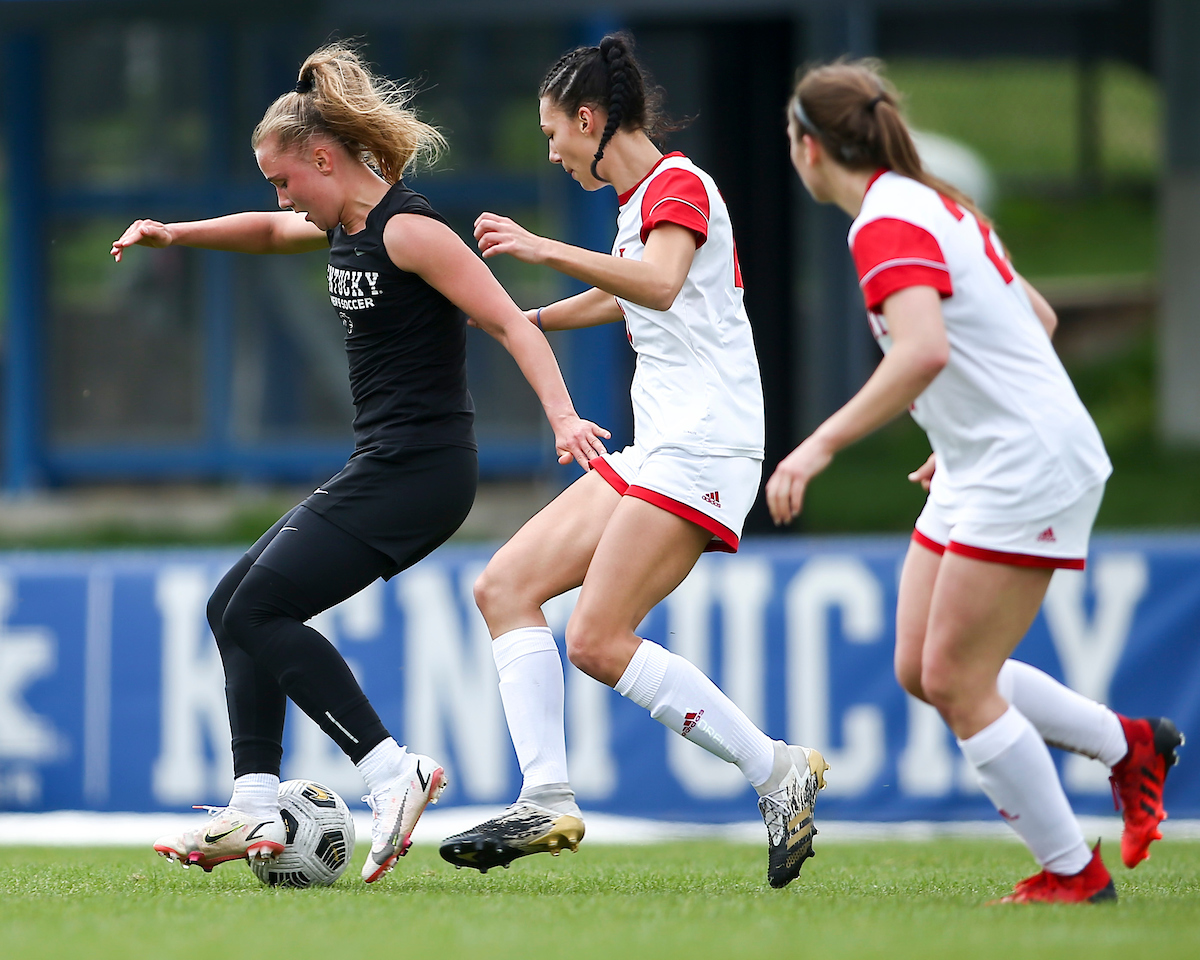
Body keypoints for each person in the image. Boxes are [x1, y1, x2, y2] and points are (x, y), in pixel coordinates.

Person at [110, 42, 608, 884]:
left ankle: (391, 771)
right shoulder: (337, 222)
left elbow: (512, 324)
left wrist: (563, 418)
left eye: (284, 179)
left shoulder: (410, 230)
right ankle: (256, 801)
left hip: (422, 471)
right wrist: (176, 232)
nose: (281, 198)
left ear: (324, 158)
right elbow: (271, 232)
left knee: (262, 607)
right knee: (232, 603)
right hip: (384, 462)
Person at [767, 59, 1183, 904]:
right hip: (985, 457)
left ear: (810, 148)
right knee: (924, 668)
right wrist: (956, 431)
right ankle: (1129, 743)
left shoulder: (887, 221)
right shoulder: (930, 200)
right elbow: (1036, 317)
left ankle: (1076, 874)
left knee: (958, 678)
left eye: (789, 139)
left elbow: (924, 349)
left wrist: (818, 446)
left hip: (1027, 464)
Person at [437, 32, 827, 890]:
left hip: (706, 446)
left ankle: (775, 771)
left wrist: (540, 247)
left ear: (588, 119)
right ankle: (545, 796)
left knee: (599, 639)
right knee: (503, 587)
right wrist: (530, 322)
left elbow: (654, 283)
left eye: (553, 134)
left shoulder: (680, 184)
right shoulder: (641, 201)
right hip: (662, 446)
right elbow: (626, 292)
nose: (553, 151)